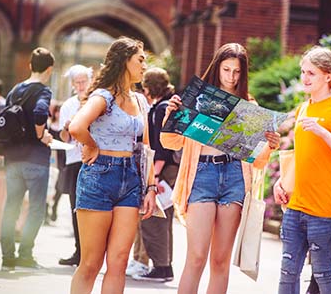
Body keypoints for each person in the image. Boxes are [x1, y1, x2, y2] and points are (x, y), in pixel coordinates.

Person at [161, 43, 280, 294]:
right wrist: (170, 115)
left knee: (220, 260)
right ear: (217, 68)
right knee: (196, 257)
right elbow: (169, 141)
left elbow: (257, 161)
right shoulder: (199, 98)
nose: (231, 77)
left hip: (234, 178)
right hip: (201, 175)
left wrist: (270, 145)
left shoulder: (249, 104)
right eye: (226, 69)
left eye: (237, 72)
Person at [68, 36, 157, 294]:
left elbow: (146, 148)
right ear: (124, 61)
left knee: (118, 262)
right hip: (99, 176)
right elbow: (76, 127)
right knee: (91, 263)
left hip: (131, 179)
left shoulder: (140, 101)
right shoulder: (103, 96)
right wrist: (93, 145)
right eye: (140, 60)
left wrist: (150, 187)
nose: (144, 66)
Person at [273, 46, 331, 294]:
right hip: (296, 207)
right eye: (303, 72)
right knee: (287, 276)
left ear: (328, 76)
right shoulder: (303, 108)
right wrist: (281, 183)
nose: (305, 78)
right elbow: (302, 156)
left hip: (326, 211)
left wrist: (322, 132)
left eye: (311, 73)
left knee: (322, 275)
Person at [0, 47, 55, 271]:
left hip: (13, 157)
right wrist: (42, 135)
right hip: (36, 159)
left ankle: (7, 257)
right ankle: (25, 254)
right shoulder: (43, 91)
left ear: (30, 66)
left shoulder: (15, 90)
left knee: (10, 207)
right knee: (35, 209)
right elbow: (41, 113)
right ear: (50, 69)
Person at [133, 67, 178, 282]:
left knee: (153, 217)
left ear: (149, 87)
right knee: (164, 219)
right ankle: (164, 265)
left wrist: (155, 175)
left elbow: (162, 146)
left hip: (164, 170)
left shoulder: (160, 109)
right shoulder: (168, 104)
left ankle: (161, 267)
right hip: (172, 170)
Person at [57, 64, 92, 266]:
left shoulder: (96, 101)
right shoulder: (68, 105)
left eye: (83, 81)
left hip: (92, 160)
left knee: (92, 208)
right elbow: (63, 138)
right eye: (76, 82)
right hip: (74, 160)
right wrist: (67, 127)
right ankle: (79, 251)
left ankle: (90, 253)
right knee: (75, 207)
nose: (80, 86)